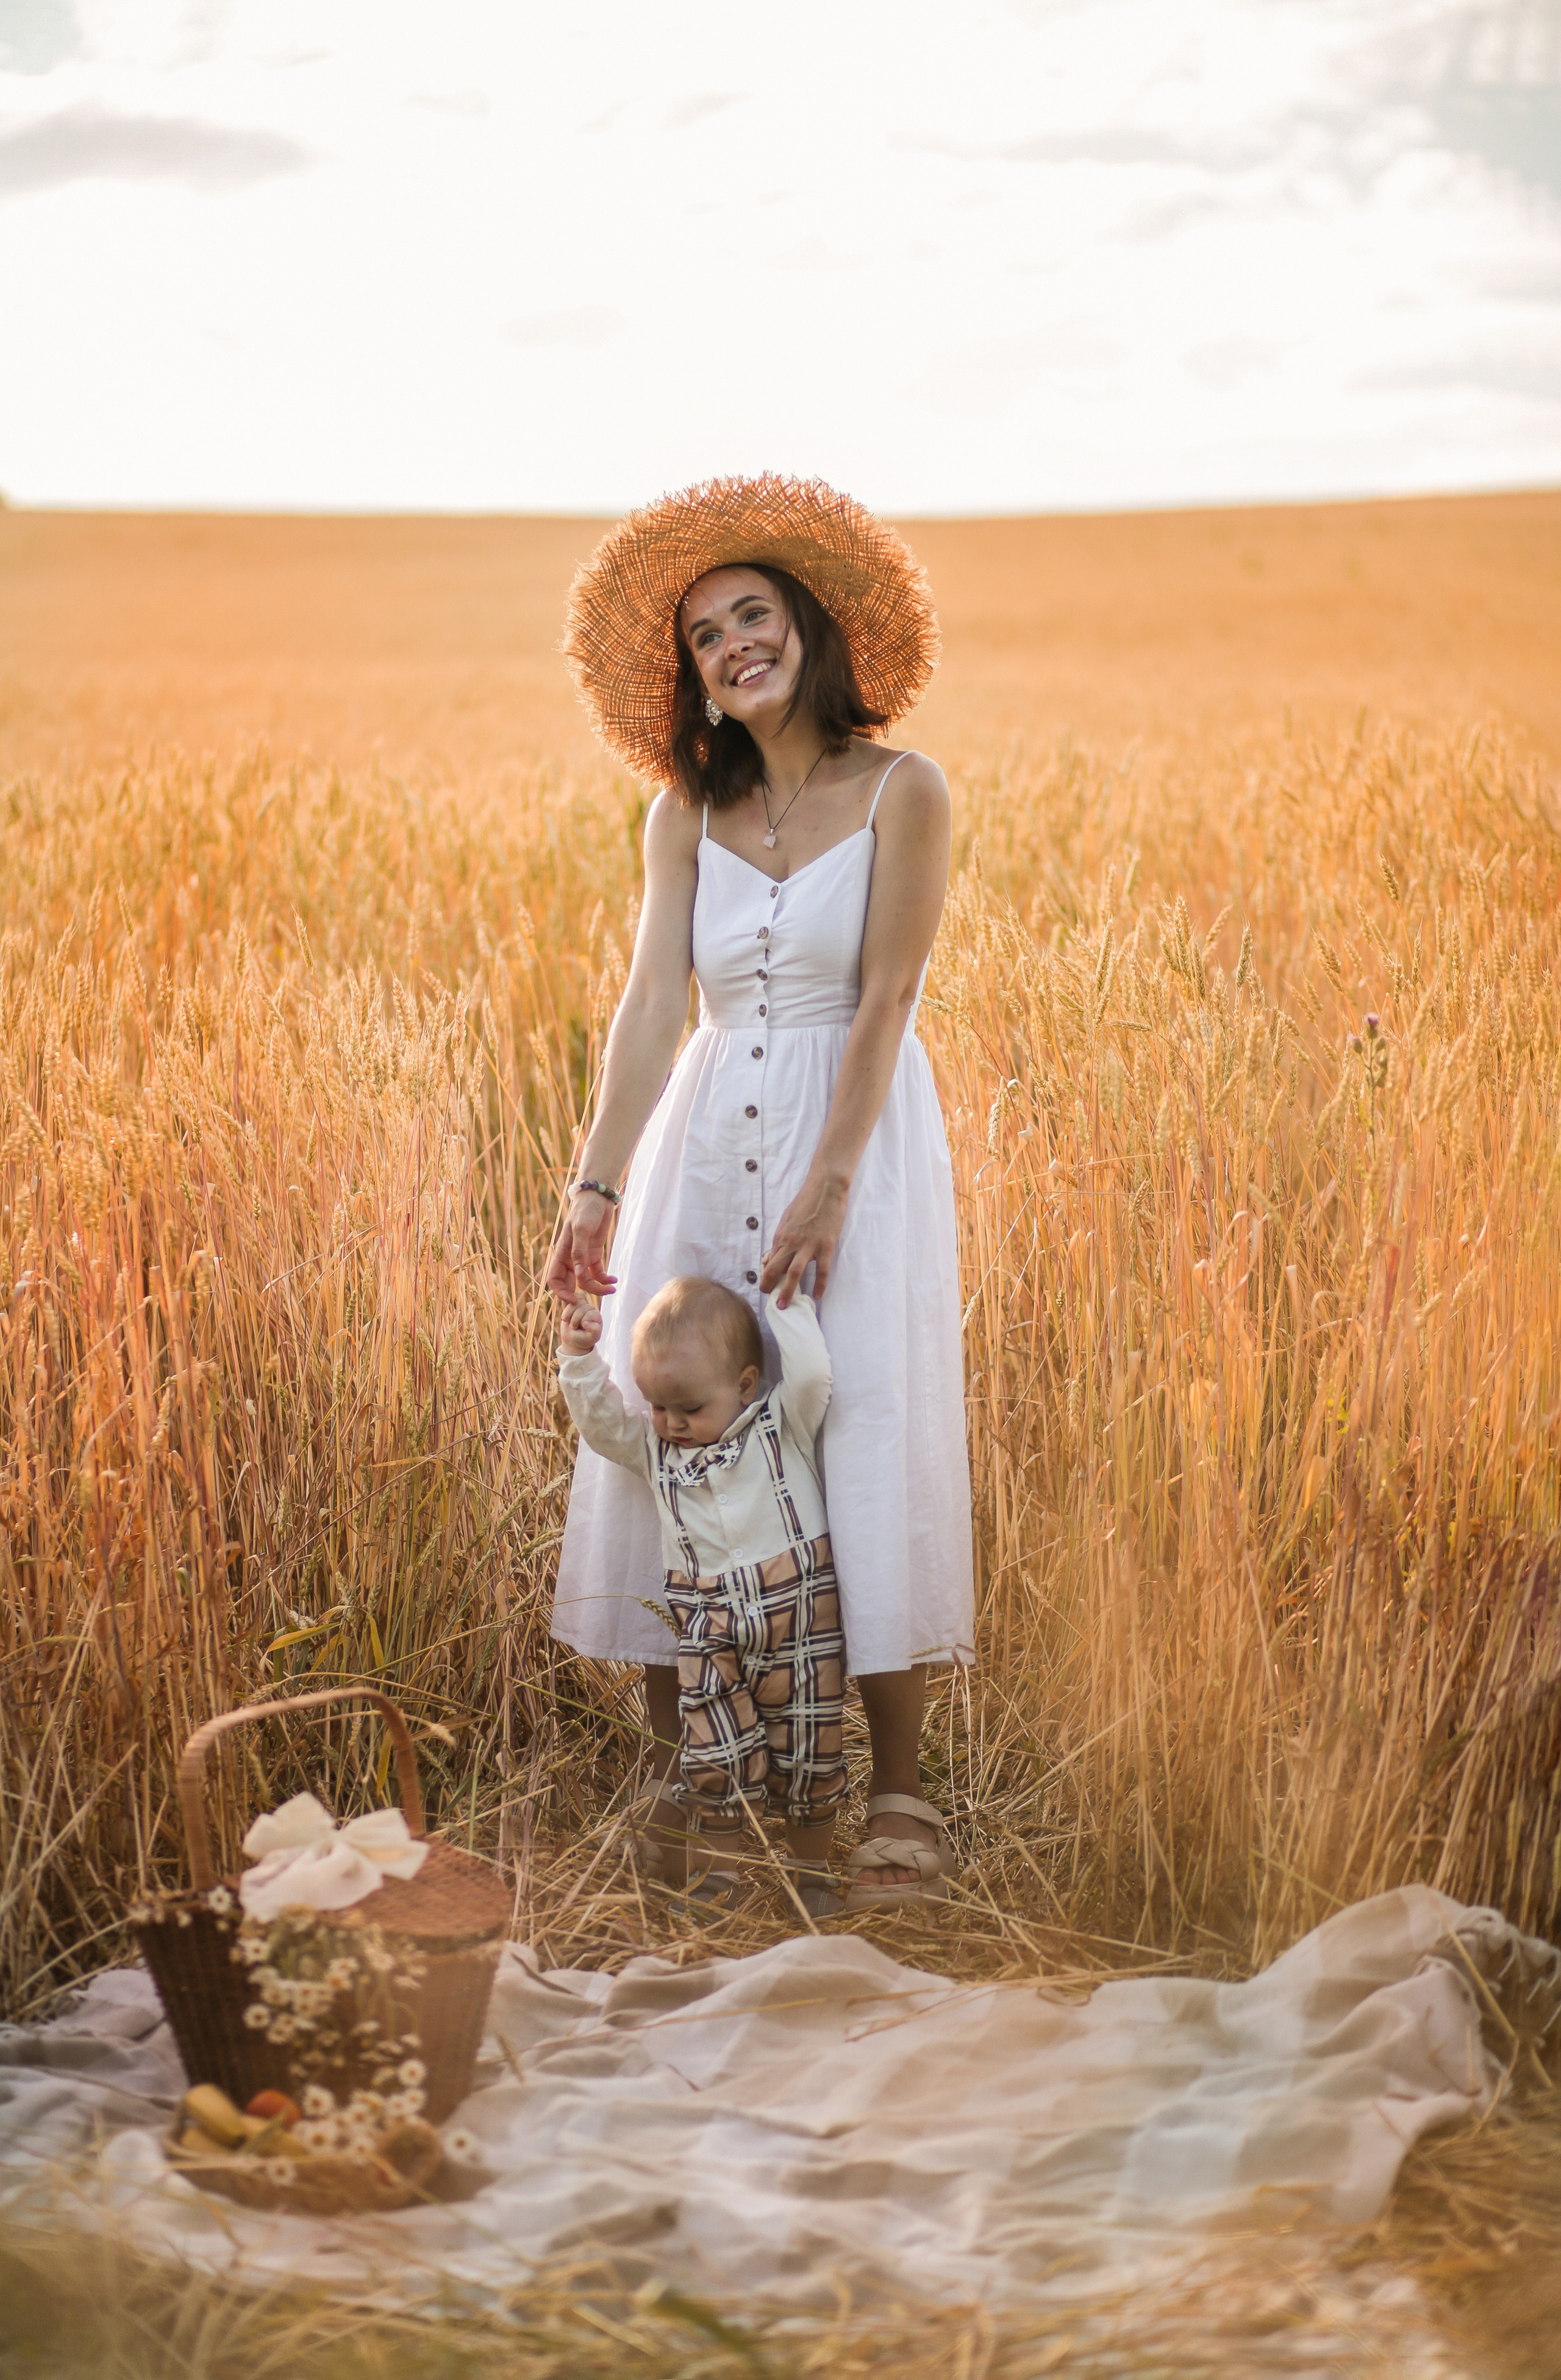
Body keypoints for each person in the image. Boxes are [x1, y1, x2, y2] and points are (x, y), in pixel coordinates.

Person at [547, 472, 973, 1909]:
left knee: (860, 1413)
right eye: (705, 633)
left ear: (803, 624)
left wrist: (832, 1180)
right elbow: (646, 1006)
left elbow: (889, 995)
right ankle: (701, 1772)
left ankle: (894, 1786)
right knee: (673, 1418)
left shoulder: (902, 791)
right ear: (692, 680)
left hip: (851, 1135)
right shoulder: (683, 812)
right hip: (699, 1132)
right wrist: (595, 1190)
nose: (734, 641)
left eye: (752, 611)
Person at [557, 1277, 846, 1912]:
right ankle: (719, 1875)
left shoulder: (777, 1424)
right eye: (658, 1407)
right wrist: (578, 1359)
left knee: (809, 1748)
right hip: (709, 1632)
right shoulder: (657, 1452)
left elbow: (811, 1378)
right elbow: (605, 1425)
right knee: (713, 1754)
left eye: (687, 1407)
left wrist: (789, 1304)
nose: (671, 1423)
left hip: (797, 1624)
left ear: (745, 1385)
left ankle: (811, 1873)